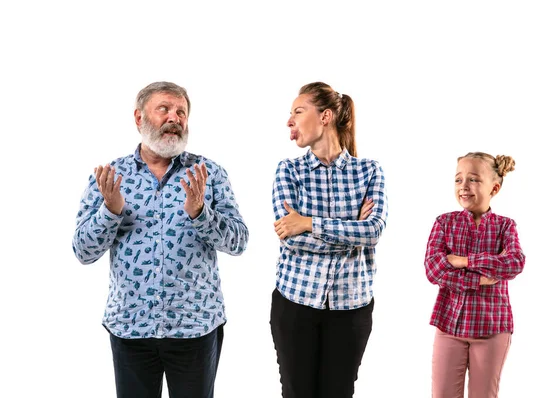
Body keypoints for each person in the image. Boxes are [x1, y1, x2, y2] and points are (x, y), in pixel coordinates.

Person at [72, 81, 249, 398]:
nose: (175, 117)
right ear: (139, 119)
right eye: (164, 109)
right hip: (130, 329)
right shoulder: (110, 176)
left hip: (196, 327)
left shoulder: (209, 174)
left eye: (181, 112)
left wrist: (200, 212)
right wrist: (110, 212)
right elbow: (83, 251)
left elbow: (238, 243)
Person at [270, 81, 388, 398]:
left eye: (298, 111)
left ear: (325, 117)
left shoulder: (369, 171)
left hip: (352, 307)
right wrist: (353, 230)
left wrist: (308, 223)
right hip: (295, 304)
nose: (289, 121)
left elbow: (374, 230)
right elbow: (290, 240)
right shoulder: (288, 171)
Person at [424, 152, 525, 398]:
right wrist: (479, 278)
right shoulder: (444, 223)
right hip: (449, 325)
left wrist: (463, 261)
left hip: (491, 328)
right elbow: (434, 269)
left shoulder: (505, 226)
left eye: (474, 180)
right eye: (458, 180)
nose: (464, 186)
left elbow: (514, 263)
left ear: (495, 187)